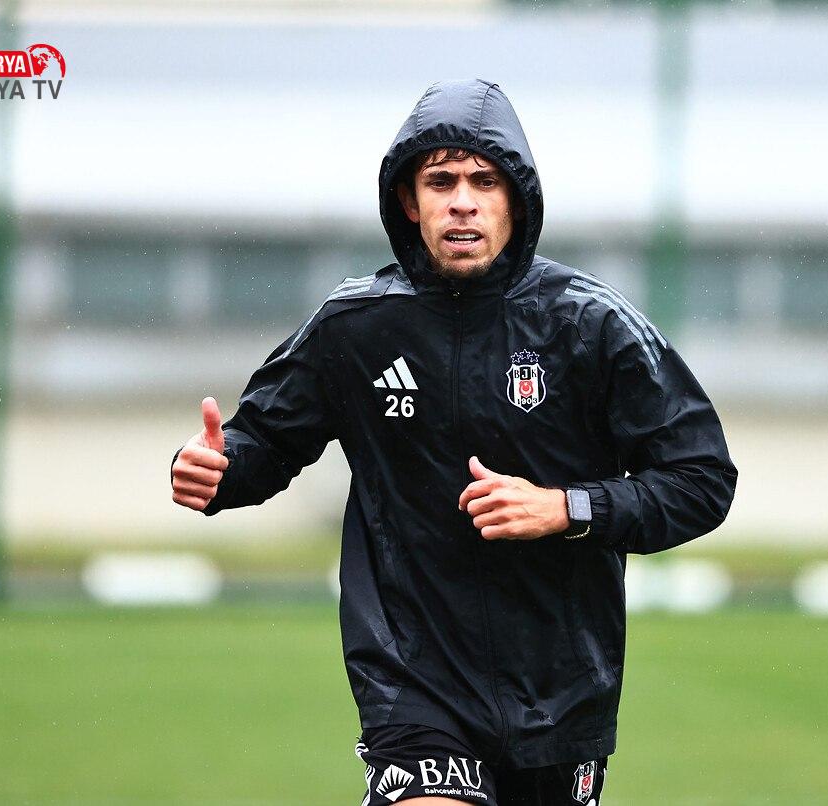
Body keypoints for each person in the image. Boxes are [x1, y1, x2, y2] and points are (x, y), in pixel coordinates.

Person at [171, 78, 737, 806]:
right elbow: (262, 442)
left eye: (484, 182)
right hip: (413, 685)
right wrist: (218, 468)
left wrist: (567, 508)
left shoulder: (590, 325)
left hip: (561, 699)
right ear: (410, 202)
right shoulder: (356, 326)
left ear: (515, 201)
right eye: (441, 182)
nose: (462, 201)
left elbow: (702, 479)